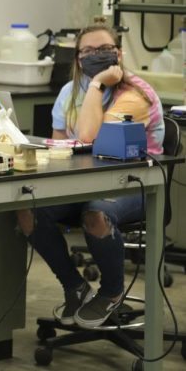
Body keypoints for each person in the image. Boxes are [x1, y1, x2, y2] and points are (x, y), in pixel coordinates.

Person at [16, 21, 164, 328]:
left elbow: (88, 135)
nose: (97, 55)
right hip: (82, 183)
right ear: (78, 59)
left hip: (135, 185)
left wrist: (97, 84)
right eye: (88, 51)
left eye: (105, 49)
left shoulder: (137, 93)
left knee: (97, 212)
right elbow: (59, 147)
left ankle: (111, 293)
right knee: (27, 209)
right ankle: (75, 286)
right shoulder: (69, 93)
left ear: (119, 54)